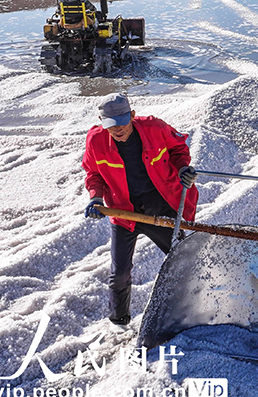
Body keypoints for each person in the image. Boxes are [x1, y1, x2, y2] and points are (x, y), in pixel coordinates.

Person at [82, 93, 198, 325]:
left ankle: (192, 313)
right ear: (101, 121)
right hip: (123, 212)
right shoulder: (96, 141)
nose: (118, 130)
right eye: (111, 126)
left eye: (122, 123)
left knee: (184, 261)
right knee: (119, 274)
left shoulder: (155, 128)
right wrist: (96, 198)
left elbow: (178, 149)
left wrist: (183, 167)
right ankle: (119, 322)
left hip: (160, 208)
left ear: (132, 116)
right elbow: (93, 174)